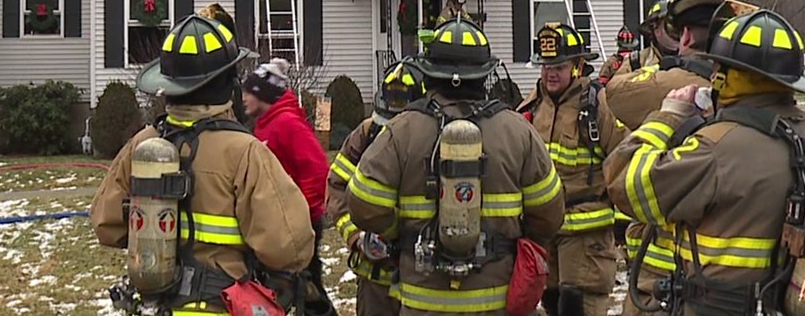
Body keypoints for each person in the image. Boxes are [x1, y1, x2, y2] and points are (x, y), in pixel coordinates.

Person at [603, 9, 805, 316]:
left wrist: (666, 116)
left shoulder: (714, 149)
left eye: (717, 66)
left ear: (728, 75)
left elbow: (625, 184)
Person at [90, 13, 315, 316]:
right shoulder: (244, 151)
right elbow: (289, 246)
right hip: (218, 306)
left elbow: (106, 224)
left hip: (155, 306)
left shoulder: (144, 143)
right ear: (226, 83)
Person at [349, 18, 565, 316]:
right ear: (484, 74)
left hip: (422, 300)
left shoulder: (401, 130)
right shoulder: (519, 131)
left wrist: (402, 235)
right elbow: (550, 214)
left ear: (430, 74)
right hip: (496, 300)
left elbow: (363, 203)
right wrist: (512, 237)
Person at [602, 0, 739, 314]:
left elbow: (615, 93)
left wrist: (668, 80)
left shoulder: (674, 83)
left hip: (664, 275)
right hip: (731, 280)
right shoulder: (752, 82)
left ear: (686, 37)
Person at [518, 23, 629, 316]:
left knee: (579, 308)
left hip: (587, 235)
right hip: (546, 232)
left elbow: (624, 159)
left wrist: (621, 222)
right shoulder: (533, 106)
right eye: (545, 66)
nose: (550, 73)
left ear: (578, 66)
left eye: (559, 66)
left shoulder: (597, 106)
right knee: (552, 304)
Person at [326, 61, 426, 316]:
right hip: (374, 277)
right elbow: (337, 185)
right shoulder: (367, 132)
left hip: (422, 277)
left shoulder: (435, 136)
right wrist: (356, 237)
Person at [241, 58, 334, 316]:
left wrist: (300, 213)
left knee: (307, 287)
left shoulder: (287, 124)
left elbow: (317, 170)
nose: (244, 98)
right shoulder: (265, 125)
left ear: (263, 93)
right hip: (278, 222)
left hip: (298, 224)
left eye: (249, 92)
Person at [611, 0, 679, 79]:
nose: (680, 29)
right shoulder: (636, 62)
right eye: (672, 24)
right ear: (655, 29)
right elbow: (614, 88)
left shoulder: (695, 60)